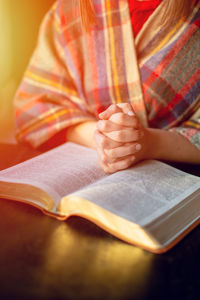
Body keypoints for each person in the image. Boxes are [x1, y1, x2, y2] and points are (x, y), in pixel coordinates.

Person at [14, 0, 200, 173]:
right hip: (87, 168)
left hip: (181, 177)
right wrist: (101, 136)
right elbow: (33, 107)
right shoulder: (71, 9)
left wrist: (149, 143)